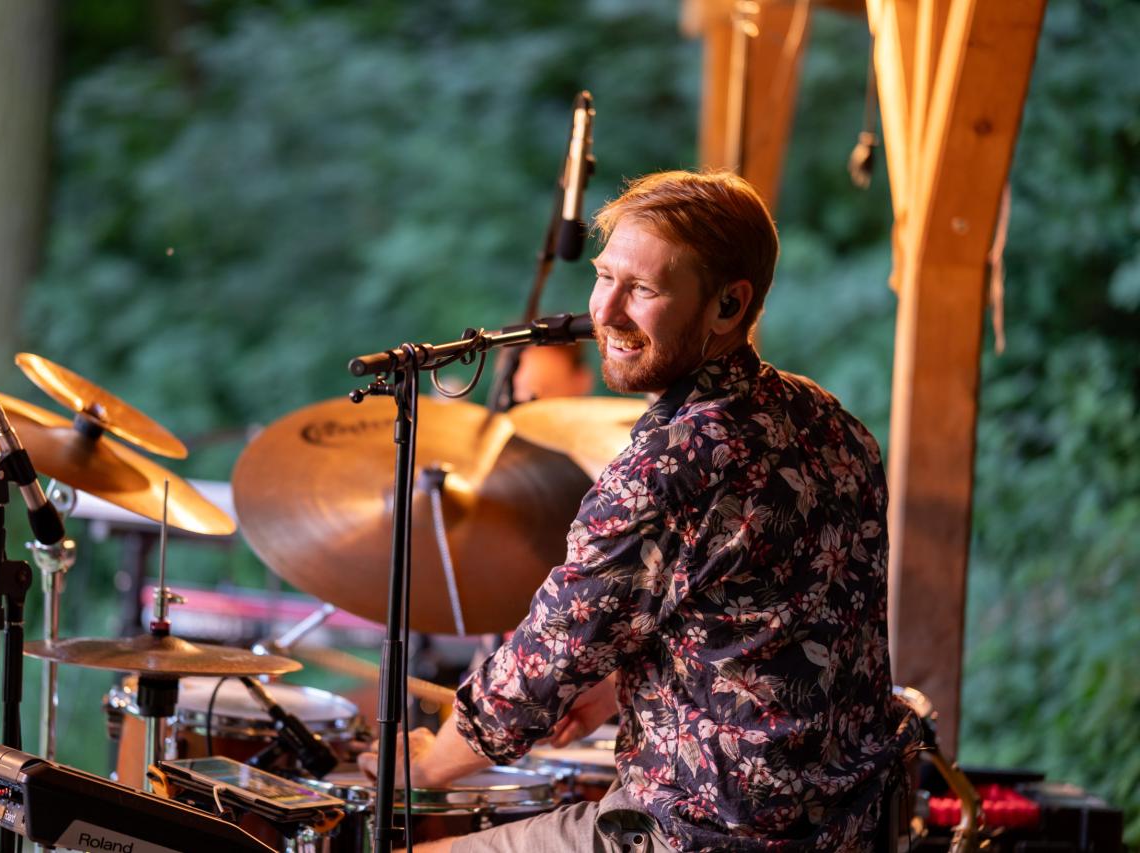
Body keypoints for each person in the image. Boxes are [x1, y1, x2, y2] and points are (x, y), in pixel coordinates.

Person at [359, 169, 919, 852]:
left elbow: (538, 671)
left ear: (729, 305)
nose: (606, 311)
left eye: (643, 290)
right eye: (604, 277)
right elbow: (767, 634)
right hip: (852, 825)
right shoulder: (832, 423)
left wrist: (423, 767)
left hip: (706, 833)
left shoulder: (669, 466)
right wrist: (618, 683)